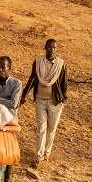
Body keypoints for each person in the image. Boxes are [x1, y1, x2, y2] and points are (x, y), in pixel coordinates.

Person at [21, 39, 67, 169]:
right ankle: (38, 156)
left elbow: (64, 83)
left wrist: (64, 98)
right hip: (40, 100)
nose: (52, 50)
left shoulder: (61, 64)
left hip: (55, 102)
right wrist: (24, 95)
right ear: (45, 47)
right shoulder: (38, 62)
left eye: (54, 48)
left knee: (51, 128)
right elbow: (32, 79)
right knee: (41, 128)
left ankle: (47, 152)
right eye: (50, 47)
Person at [0, 56, 22, 182]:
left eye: (4, 67)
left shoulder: (16, 84)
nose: (0, 69)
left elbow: (14, 103)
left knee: (9, 151)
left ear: (10, 68)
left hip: (9, 121)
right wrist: (4, 100)